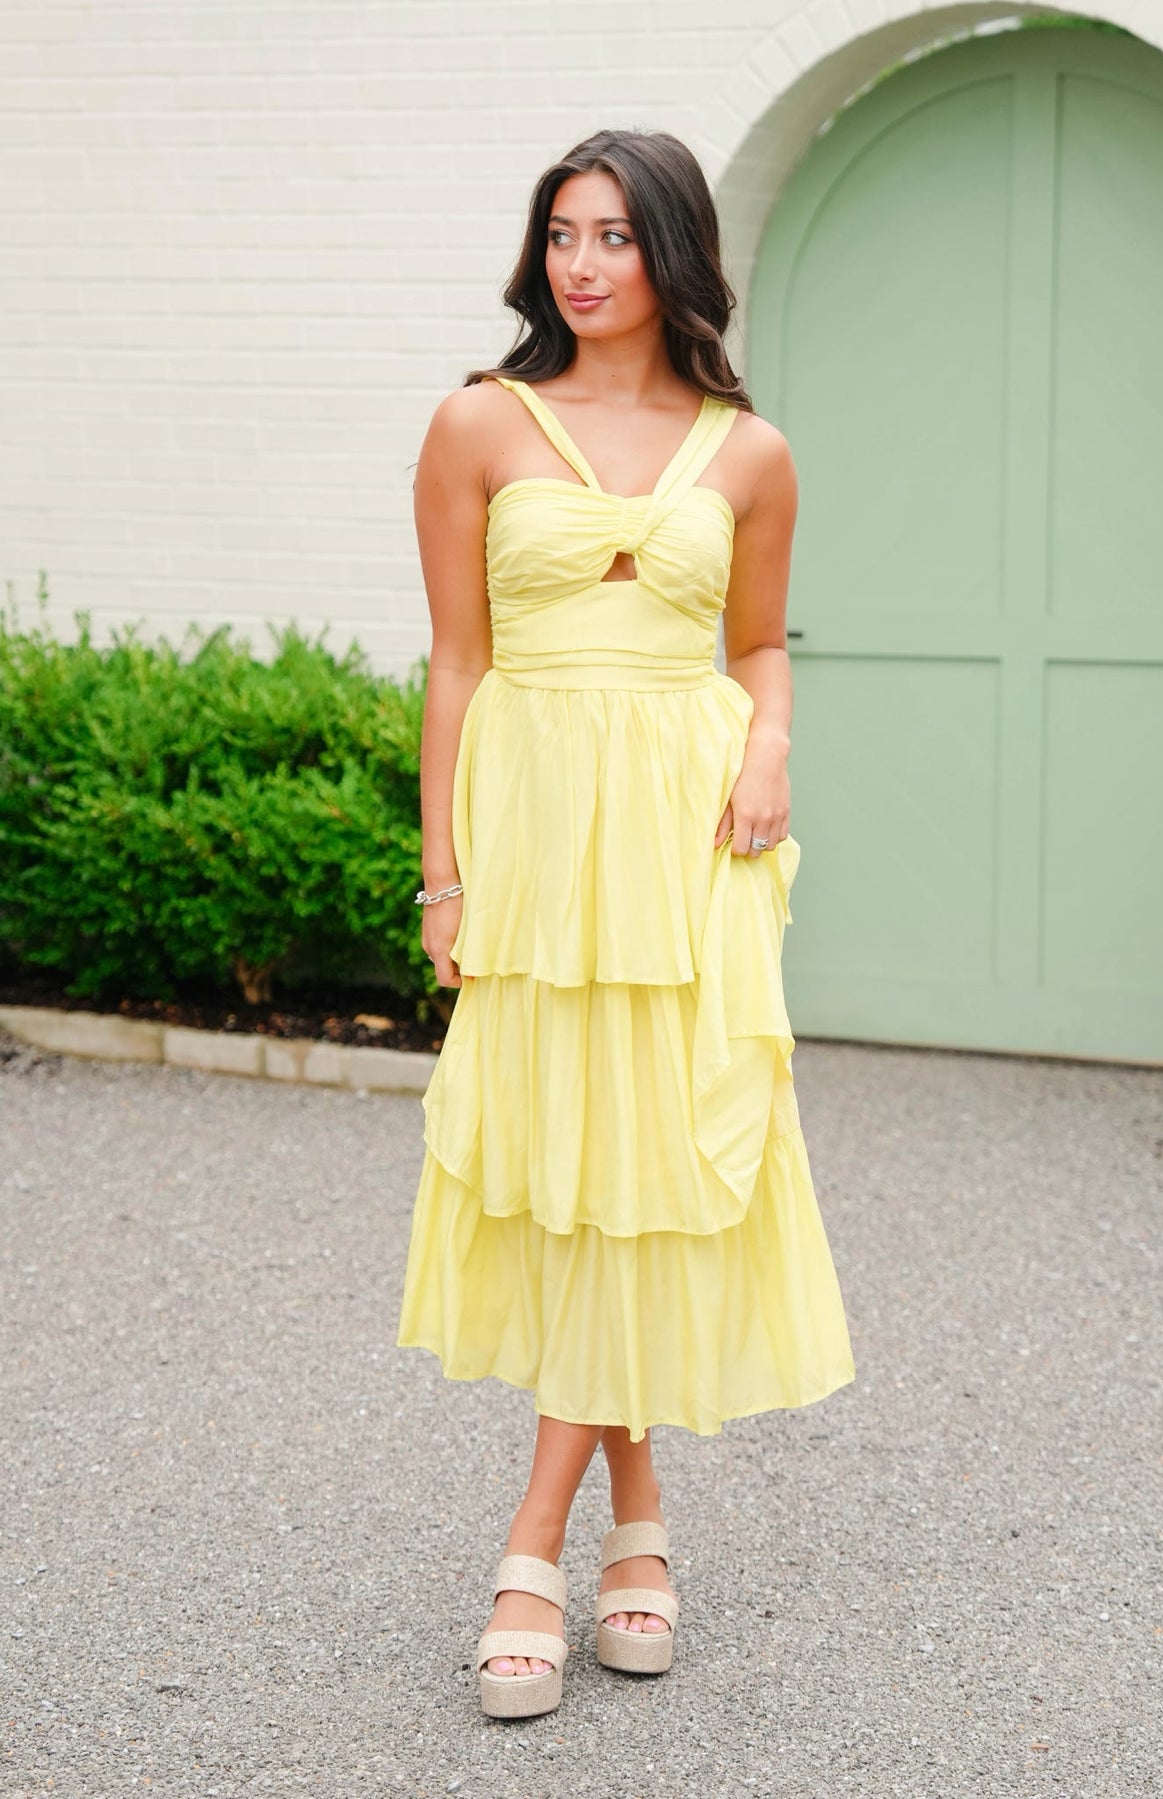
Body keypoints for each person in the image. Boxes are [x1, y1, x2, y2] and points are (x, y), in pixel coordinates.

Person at [397, 127, 855, 1720]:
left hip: (689, 838)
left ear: (674, 252)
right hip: (537, 842)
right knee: (582, 1170)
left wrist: (771, 741)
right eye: (562, 234)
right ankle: (636, 1520)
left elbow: (759, 647)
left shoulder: (751, 451)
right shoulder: (478, 421)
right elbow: (459, 662)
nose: (583, 265)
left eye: (614, 235)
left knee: (654, 1158)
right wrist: (445, 871)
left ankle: (533, 1545)